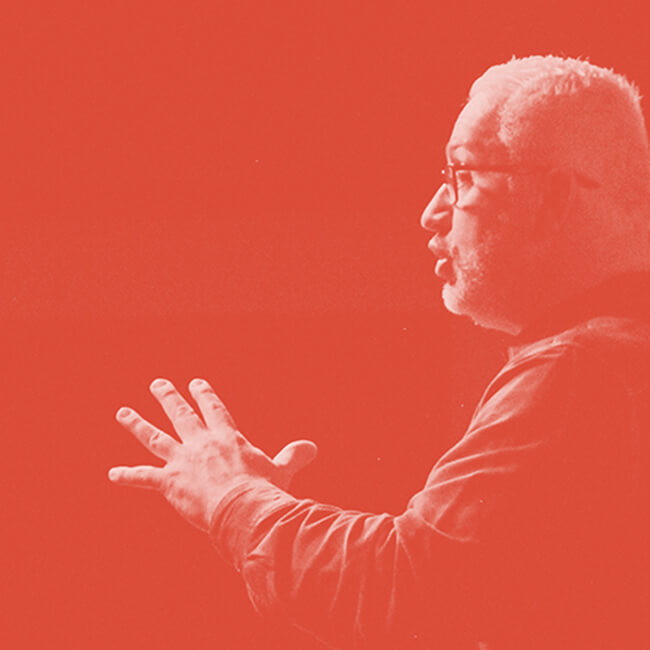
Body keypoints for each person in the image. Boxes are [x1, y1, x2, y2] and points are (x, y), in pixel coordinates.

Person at [108, 55, 650, 649]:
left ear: (554, 197)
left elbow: (408, 582)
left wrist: (234, 498)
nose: (431, 213)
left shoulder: (579, 368)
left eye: (463, 176)